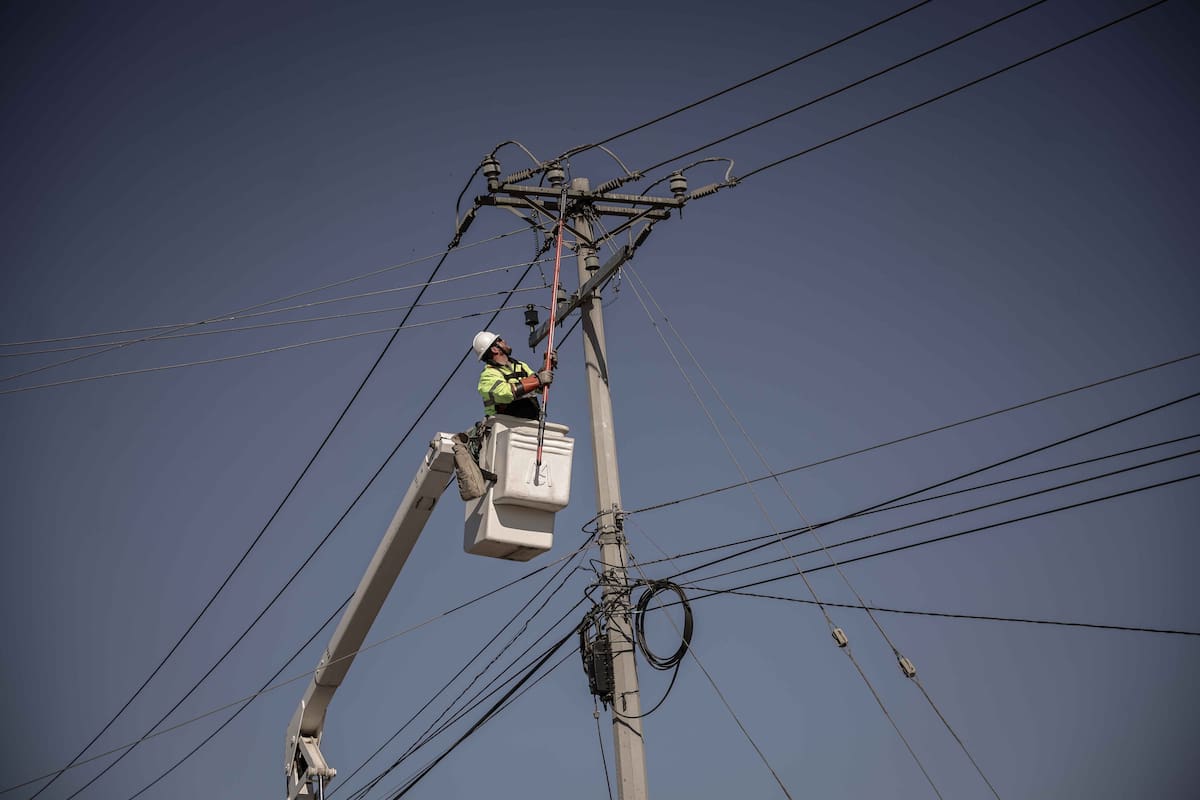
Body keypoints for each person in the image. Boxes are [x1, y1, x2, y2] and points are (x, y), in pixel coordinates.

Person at [472, 331, 555, 420]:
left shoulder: (520, 366)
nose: (504, 341)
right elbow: (505, 393)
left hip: (530, 423)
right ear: (494, 349)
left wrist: (547, 365)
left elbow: (539, 388)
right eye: (499, 340)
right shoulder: (488, 375)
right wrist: (538, 380)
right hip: (503, 426)